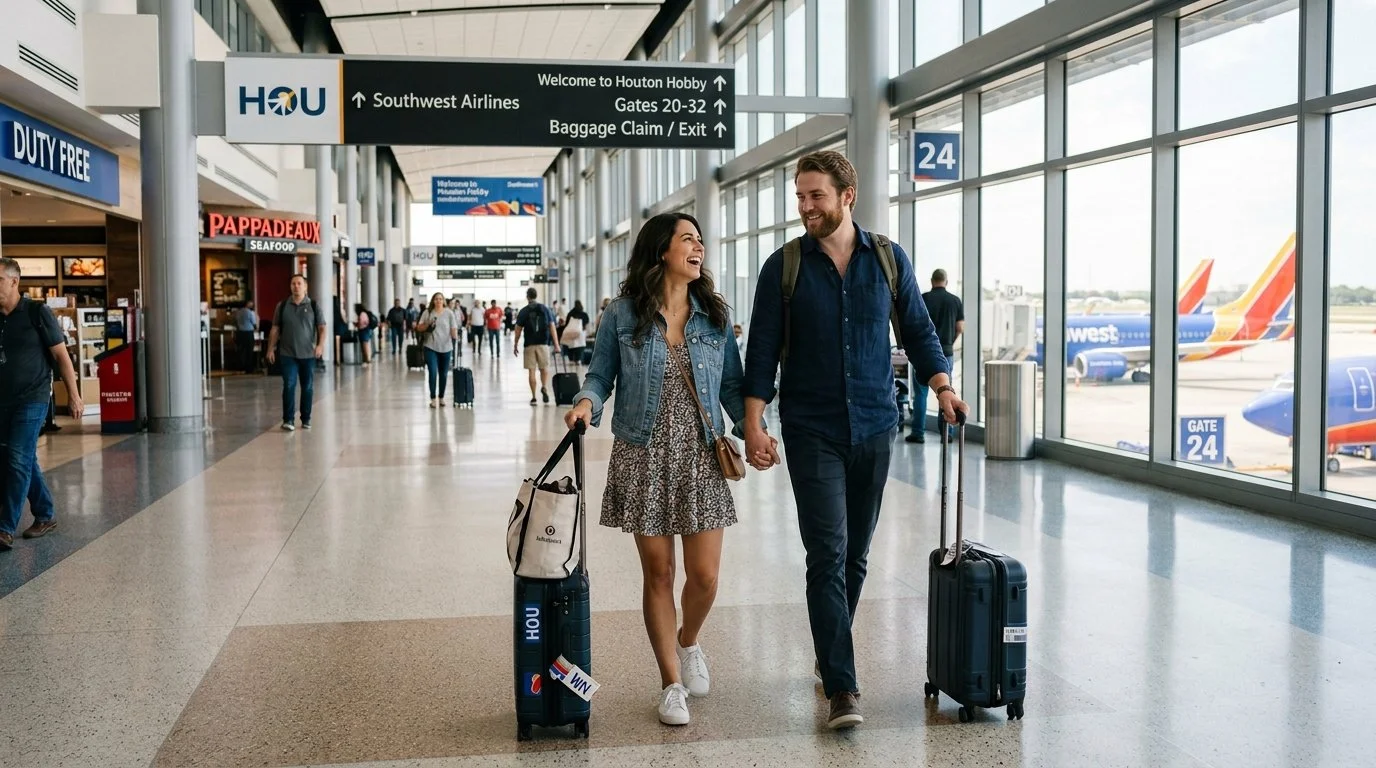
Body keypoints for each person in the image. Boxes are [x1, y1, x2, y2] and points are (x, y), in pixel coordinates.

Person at [742, 151, 969, 730]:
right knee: (826, 552)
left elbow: (916, 327)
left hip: (873, 424)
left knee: (857, 555)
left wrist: (941, 386)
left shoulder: (888, 261)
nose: (805, 207)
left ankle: (829, 646)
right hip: (812, 425)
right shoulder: (784, 266)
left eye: (815, 196)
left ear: (848, 196)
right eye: (800, 197)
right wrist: (753, 421)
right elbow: (763, 348)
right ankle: (842, 685)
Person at [564, 213, 774, 727]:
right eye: (688, 239)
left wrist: (755, 431)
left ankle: (690, 642)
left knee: (704, 576)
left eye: (700, 240)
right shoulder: (622, 313)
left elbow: (731, 387)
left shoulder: (715, 316)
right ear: (662, 250)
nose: (698, 247)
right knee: (658, 574)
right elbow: (600, 375)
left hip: (701, 453)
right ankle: (670, 682)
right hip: (643, 453)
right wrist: (585, 404)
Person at [0, 258, 82, 551]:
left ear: (14, 281)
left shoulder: (37, 312)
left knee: (17, 458)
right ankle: (45, 514)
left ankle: (4, 527)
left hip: (33, 399)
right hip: (3, 400)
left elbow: (62, 357)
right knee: (20, 458)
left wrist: (73, 395)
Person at [909, 269, 964, 443]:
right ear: (946, 282)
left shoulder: (923, 298)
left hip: (922, 355)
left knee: (920, 394)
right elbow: (960, 327)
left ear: (932, 281)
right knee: (946, 393)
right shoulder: (955, 301)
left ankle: (918, 432)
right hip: (946, 353)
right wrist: (949, 342)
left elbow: (914, 326)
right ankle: (946, 433)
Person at [267, 275, 326, 431]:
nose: (296, 286)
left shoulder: (313, 305)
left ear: (305, 287)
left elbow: (322, 327)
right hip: (288, 354)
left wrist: (320, 345)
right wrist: (271, 348)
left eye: (299, 283)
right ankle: (288, 420)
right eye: (293, 283)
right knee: (289, 385)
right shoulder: (283, 305)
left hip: (308, 354)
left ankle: (306, 418)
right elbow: (275, 329)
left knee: (307, 387)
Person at [512, 287, 560, 406]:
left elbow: (518, 329)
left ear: (527, 296)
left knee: (531, 371)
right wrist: (557, 345)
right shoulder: (545, 309)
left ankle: (534, 397)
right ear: (536, 295)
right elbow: (552, 327)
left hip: (529, 345)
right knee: (544, 368)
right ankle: (543, 387)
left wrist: (515, 344)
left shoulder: (524, 311)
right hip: (543, 344)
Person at [415, 292, 460, 407]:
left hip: (446, 347)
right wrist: (427, 324)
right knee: (433, 373)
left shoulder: (449, 313)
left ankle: (441, 397)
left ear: (443, 301)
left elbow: (453, 328)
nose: (438, 301)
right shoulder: (427, 312)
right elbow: (419, 327)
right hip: (430, 346)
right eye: (436, 299)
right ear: (433, 301)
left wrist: (456, 337)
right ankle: (433, 398)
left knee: (443, 374)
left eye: (440, 299)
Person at [560, 299, 590, 365]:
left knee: (571, 346)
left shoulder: (570, 313)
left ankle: (571, 359)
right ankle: (578, 360)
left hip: (571, 333)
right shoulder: (584, 314)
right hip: (581, 333)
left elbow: (567, 324)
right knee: (580, 347)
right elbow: (587, 323)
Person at [232, 300, 259, 374]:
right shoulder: (250, 312)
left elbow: (235, 323)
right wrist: (256, 328)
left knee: (240, 351)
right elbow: (254, 323)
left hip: (240, 333)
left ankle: (240, 368)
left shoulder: (237, 312)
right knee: (249, 351)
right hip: (248, 333)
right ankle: (249, 369)